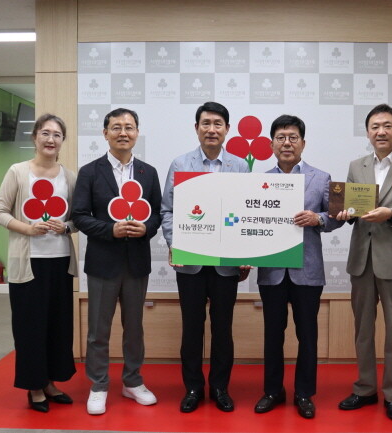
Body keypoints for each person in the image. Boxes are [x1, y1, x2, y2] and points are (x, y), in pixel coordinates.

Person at [336, 104, 392, 421]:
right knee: (362, 331)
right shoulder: (356, 165)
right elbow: (351, 208)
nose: (381, 131)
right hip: (361, 261)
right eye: (375, 126)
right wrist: (346, 213)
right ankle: (364, 388)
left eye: (387, 125)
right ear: (367, 132)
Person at [71, 108, 162, 415]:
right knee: (98, 330)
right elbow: (80, 216)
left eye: (130, 127)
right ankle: (98, 386)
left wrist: (144, 230)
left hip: (137, 262)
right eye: (116, 127)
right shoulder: (90, 172)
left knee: (134, 328)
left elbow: (157, 216)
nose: (124, 132)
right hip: (102, 263)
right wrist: (110, 229)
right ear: (105, 133)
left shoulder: (148, 173)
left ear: (137, 132)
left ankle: (132, 381)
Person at [161, 101, 250, 413]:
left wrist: (245, 253)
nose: (212, 129)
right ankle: (194, 388)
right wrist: (175, 243)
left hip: (227, 265)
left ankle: (220, 388)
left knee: (223, 329)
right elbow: (168, 211)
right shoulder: (180, 163)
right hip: (191, 263)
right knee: (192, 328)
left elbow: (244, 212)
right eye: (206, 123)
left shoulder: (240, 166)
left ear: (227, 129)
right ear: (196, 127)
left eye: (218, 124)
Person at [253, 115, 344, 419]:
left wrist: (317, 218)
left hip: (308, 270)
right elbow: (251, 223)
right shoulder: (259, 180)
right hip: (272, 271)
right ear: (271, 144)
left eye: (293, 137)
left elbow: (335, 218)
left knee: (308, 334)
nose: (287, 143)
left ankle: (304, 393)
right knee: (272, 334)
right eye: (280, 137)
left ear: (303, 143)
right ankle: (272, 391)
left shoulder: (322, 178)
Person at [0, 113, 77, 412]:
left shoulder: (69, 176)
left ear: (62, 141)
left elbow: (77, 219)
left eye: (57, 134)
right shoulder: (18, 172)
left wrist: (65, 226)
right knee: (30, 327)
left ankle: (51, 382)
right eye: (45, 133)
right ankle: (34, 387)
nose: (51, 139)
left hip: (60, 262)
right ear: (35, 138)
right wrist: (27, 229)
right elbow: (0, 212)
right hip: (27, 265)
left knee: (58, 326)